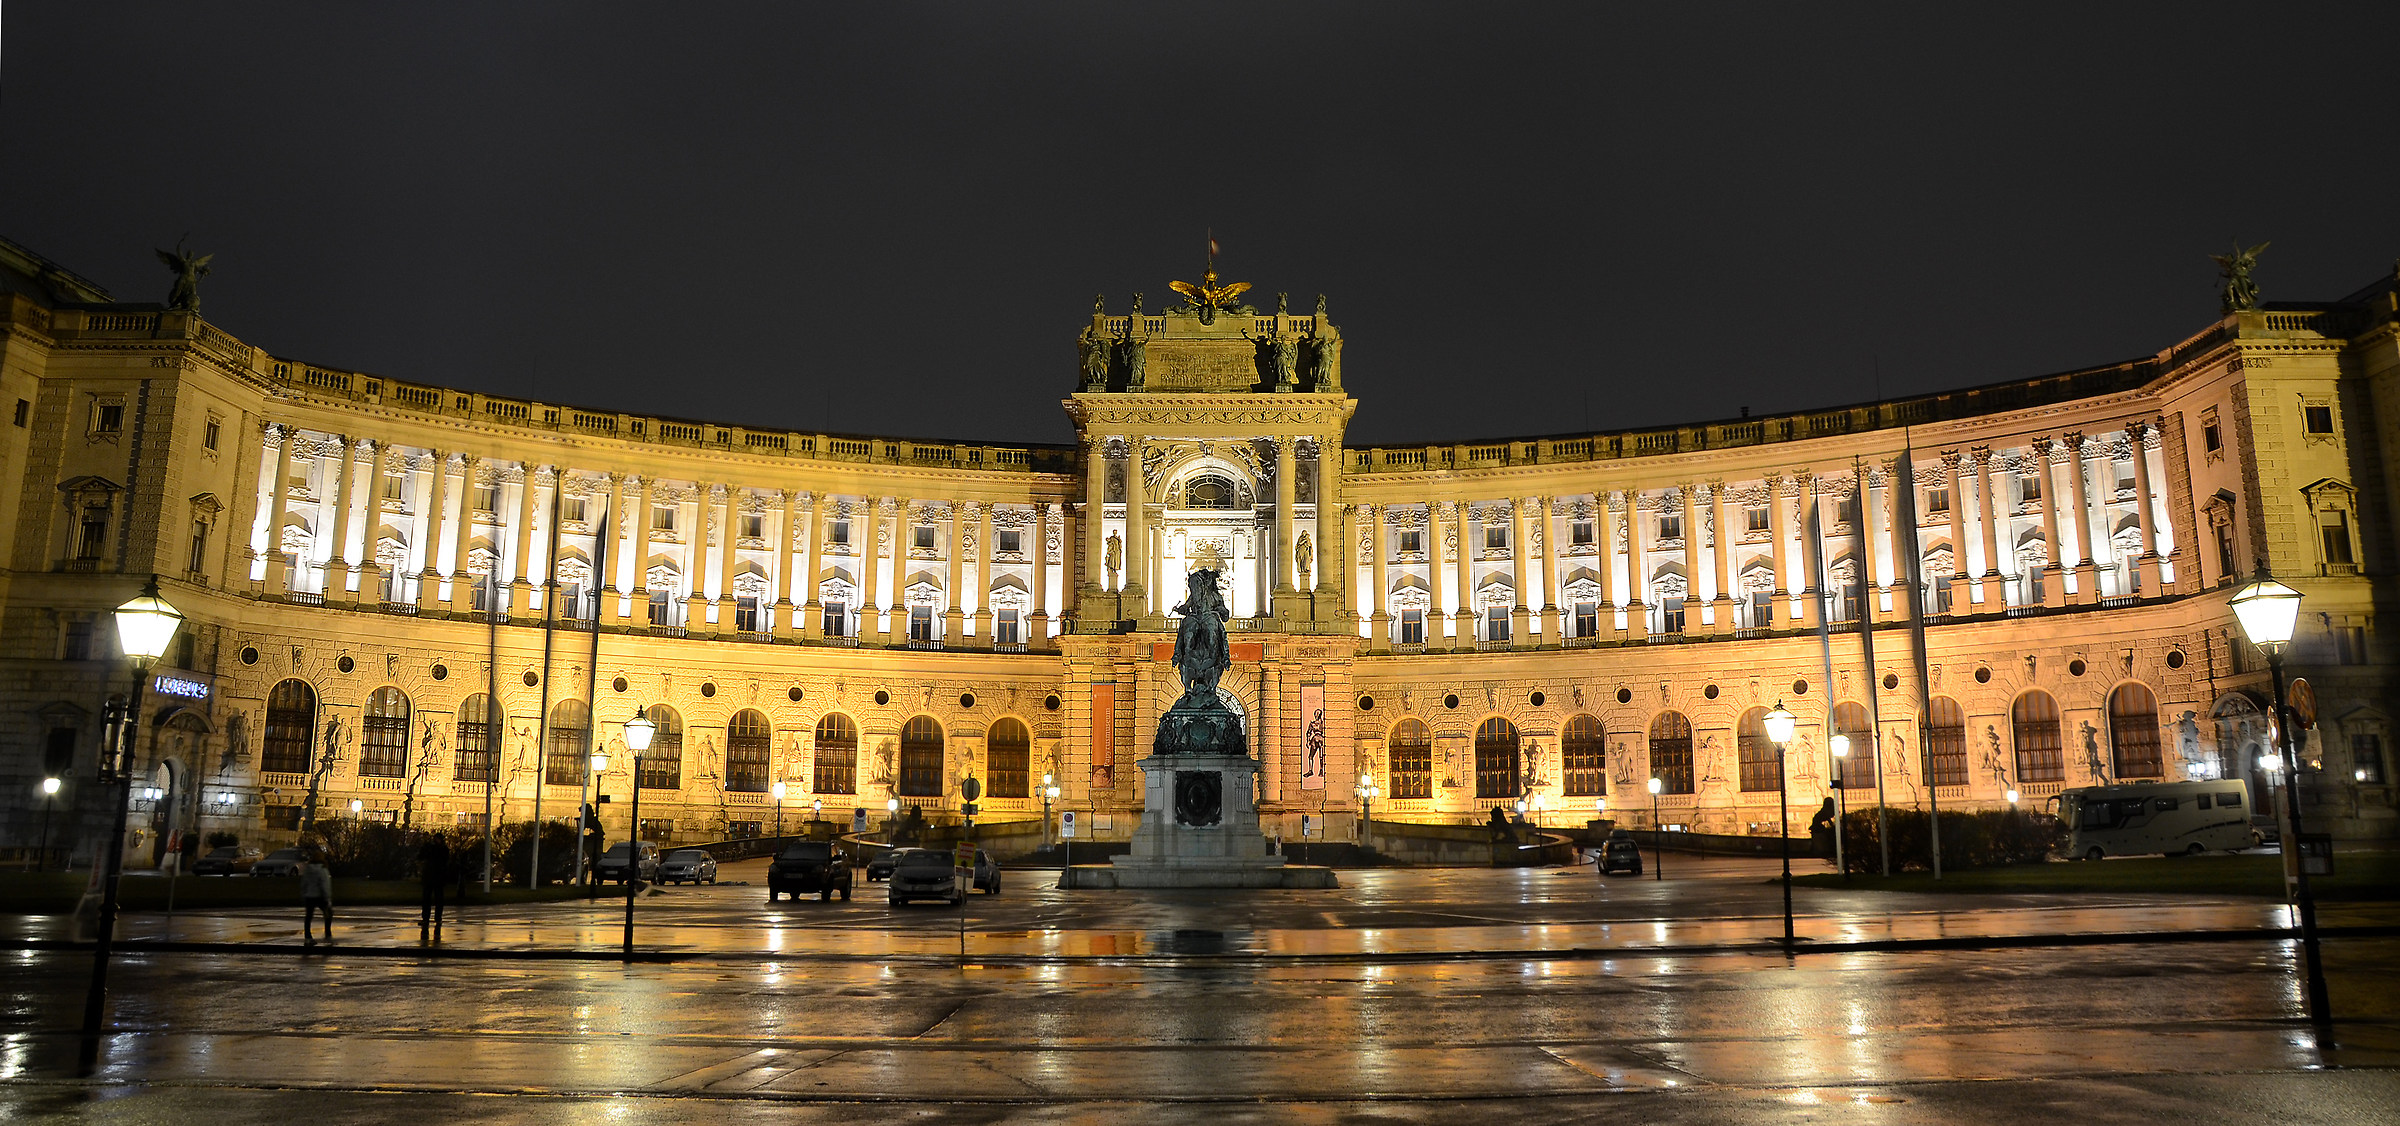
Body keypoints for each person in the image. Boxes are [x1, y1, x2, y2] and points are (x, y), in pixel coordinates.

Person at [418, 833, 452, 937]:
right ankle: (427, 918)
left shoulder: (442, 849)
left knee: (437, 899)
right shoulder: (433, 848)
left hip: (437, 877)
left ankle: (437, 918)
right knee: (428, 898)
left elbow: (444, 860)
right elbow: (421, 856)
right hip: (431, 877)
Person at [300, 850, 334, 946]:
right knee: (328, 914)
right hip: (320, 896)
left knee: (308, 917)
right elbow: (325, 884)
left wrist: (303, 894)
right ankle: (328, 934)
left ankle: (308, 937)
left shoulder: (308, 869)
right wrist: (327, 898)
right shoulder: (323, 869)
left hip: (309, 895)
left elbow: (304, 883)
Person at [1808, 797, 1838, 865]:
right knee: (1827, 835)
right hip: (1817, 826)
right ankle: (1827, 849)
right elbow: (1828, 819)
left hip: (1818, 825)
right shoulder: (1825, 812)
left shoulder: (1825, 811)